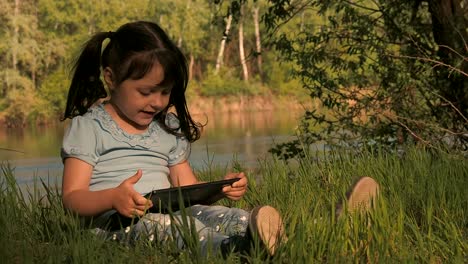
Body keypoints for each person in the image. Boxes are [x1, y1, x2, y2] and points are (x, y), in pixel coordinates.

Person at [60, 20, 285, 257]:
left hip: (171, 211)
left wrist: (219, 189)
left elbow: (187, 190)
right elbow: (72, 198)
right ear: (111, 78)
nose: (158, 102)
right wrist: (112, 198)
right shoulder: (89, 127)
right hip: (114, 223)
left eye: (165, 92)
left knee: (230, 216)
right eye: (146, 92)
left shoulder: (166, 128)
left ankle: (258, 235)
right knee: (169, 229)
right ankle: (233, 250)